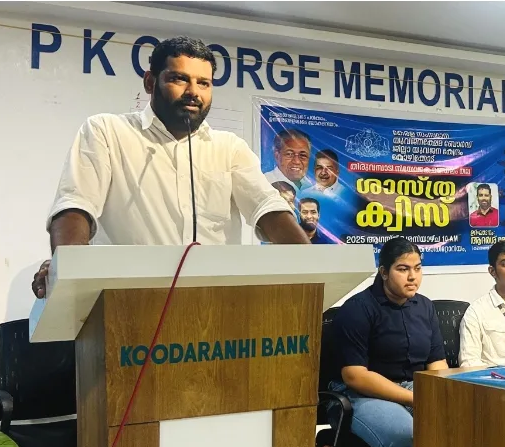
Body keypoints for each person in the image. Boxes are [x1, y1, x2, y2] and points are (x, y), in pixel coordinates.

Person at [32, 36, 308, 298]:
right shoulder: (107, 131)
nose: (193, 92)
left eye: (204, 83)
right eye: (179, 79)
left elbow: (268, 208)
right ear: (150, 82)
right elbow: (75, 206)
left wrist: (311, 266)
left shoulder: (229, 147)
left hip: (217, 305)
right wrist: (67, 268)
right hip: (128, 301)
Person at [326, 237, 449, 447]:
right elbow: (355, 375)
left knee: (461, 422)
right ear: (383, 272)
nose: (412, 277)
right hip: (359, 396)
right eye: (403, 269)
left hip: (413, 389)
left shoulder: (425, 307)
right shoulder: (358, 309)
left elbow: (437, 364)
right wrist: (416, 399)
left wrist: (439, 396)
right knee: (404, 435)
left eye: (418, 268)